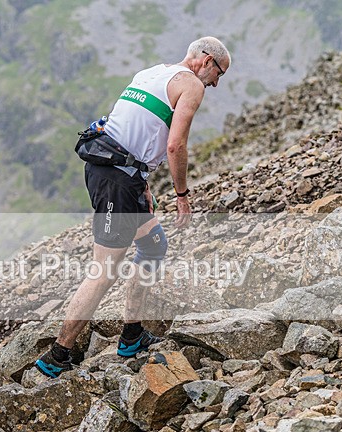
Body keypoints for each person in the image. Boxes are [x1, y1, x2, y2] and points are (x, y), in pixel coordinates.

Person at [35, 36, 231, 378]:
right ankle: (57, 354)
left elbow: (129, 125)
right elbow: (175, 146)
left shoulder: (152, 72)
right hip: (116, 180)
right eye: (219, 73)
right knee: (104, 271)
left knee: (154, 245)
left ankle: (131, 335)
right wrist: (181, 194)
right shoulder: (191, 87)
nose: (215, 83)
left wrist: (142, 183)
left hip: (118, 171)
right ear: (206, 59)